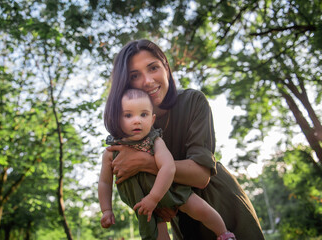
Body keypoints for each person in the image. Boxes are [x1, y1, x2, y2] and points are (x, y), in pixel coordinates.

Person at [105, 39, 265, 240]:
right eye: (135, 76)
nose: (147, 81)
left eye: (153, 67)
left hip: (219, 207)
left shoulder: (193, 101)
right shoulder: (127, 131)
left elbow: (200, 175)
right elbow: (126, 183)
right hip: (180, 215)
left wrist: (144, 163)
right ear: (125, 83)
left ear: (166, 68)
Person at [98, 88, 236, 240]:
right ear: (117, 119)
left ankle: (224, 234)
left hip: (170, 189)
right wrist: (106, 210)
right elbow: (105, 182)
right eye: (128, 115)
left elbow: (168, 167)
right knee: (156, 234)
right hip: (143, 201)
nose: (137, 120)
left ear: (152, 119)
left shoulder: (154, 141)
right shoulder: (111, 152)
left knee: (199, 208)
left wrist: (154, 198)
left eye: (143, 114)